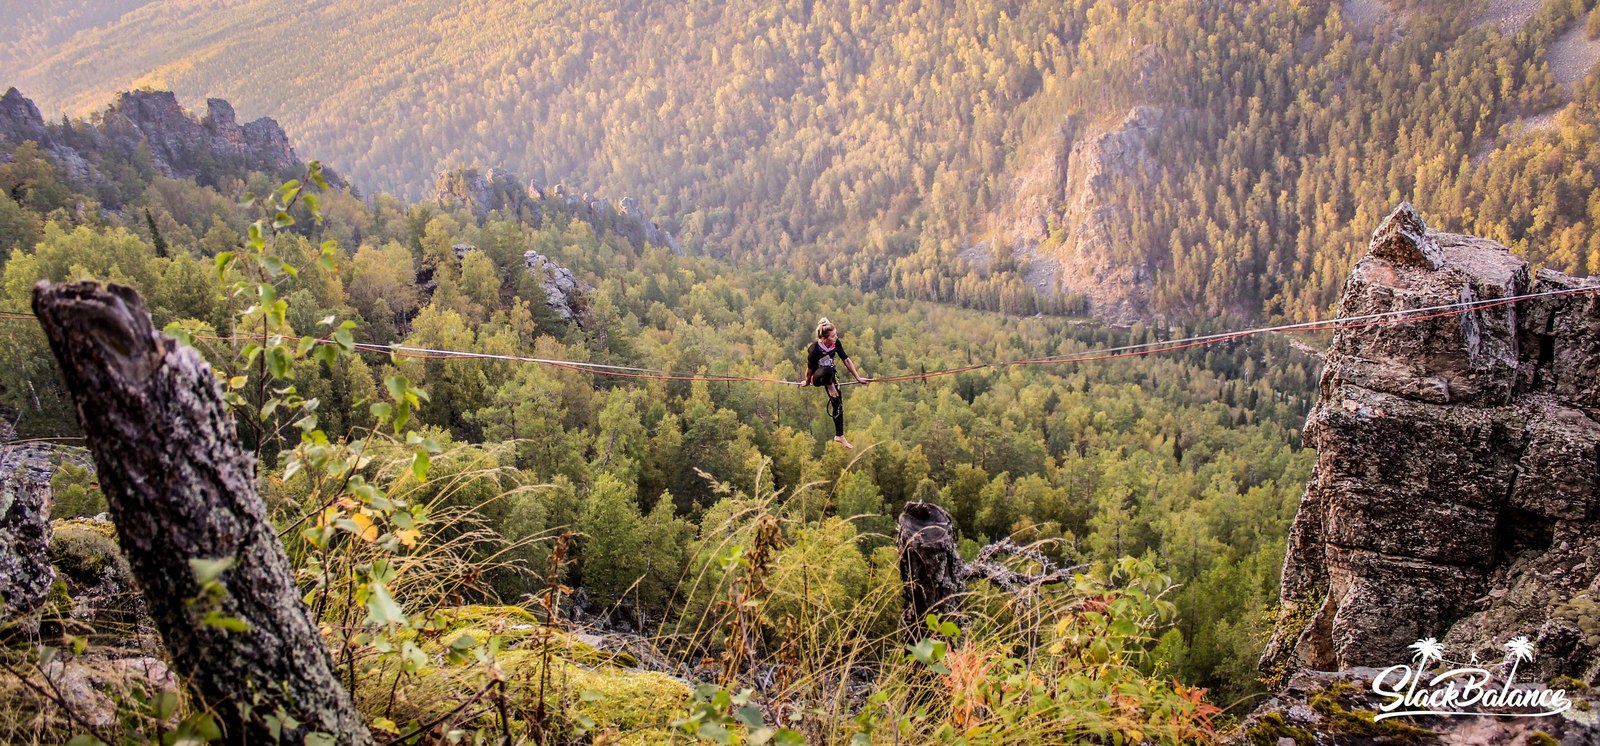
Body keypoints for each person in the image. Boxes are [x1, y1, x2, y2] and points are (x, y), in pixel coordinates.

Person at [804, 317, 870, 448]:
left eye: (836, 335)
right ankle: (830, 386)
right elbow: (809, 369)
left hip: (830, 376)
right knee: (828, 370)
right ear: (824, 338)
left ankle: (839, 435)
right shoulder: (814, 350)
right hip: (817, 377)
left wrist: (858, 377)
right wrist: (806, 382)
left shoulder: (835, 344)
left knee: (838, 403)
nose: (836, 337)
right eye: (833, 336)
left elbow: (846, 360)